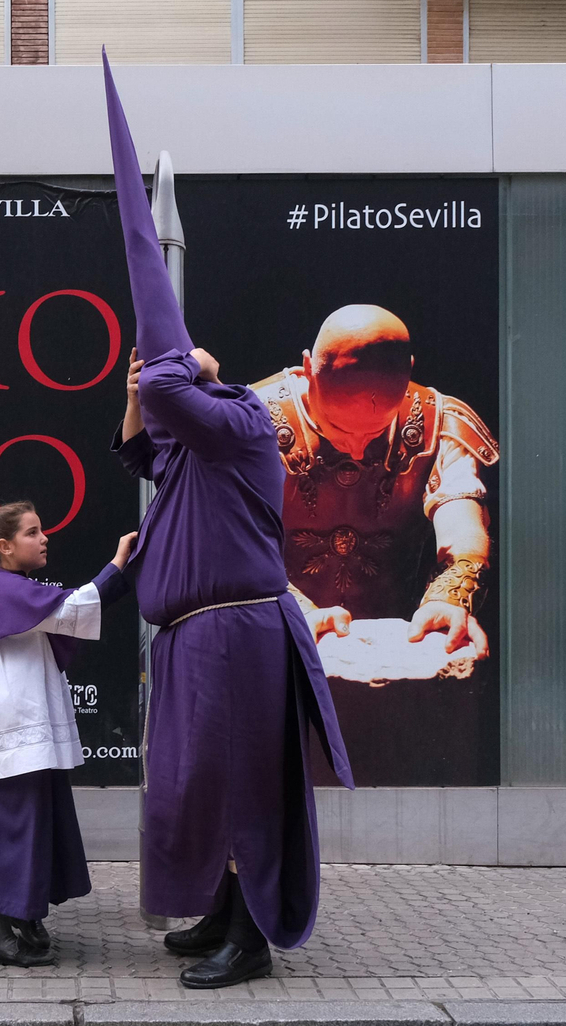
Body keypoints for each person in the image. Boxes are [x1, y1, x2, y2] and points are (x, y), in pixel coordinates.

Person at [102, 54, 353, 989]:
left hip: (238, 633)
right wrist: (138, 388)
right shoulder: (192, 454)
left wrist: (188, 363)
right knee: (201, 790)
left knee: (242, 787)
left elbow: (180, 396)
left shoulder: (243, 424)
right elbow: (141, 448)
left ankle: (249, 940)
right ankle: (216, 913)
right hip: (193, 638)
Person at [0, 502, 136, 967]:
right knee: (14, 825)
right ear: (5, 547)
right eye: (32, 532)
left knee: (31, 821)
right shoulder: (8, 587)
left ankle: (24, 917)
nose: (44, 538)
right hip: (13, 720)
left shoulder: (7, 586)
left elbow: (66, 616)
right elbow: (76, 609)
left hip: (18, 716)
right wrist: (118, 562)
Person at [249, 305, 498, 652]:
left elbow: (463, 532)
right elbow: (231, 542)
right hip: (271, 636)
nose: (356, 451)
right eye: (339, 428)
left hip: (397, 641)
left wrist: (449, 598)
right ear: (308, 369)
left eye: (376, 431)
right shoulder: (250, 421)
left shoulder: (439, 423)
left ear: (408, 372)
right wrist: (293, 611)